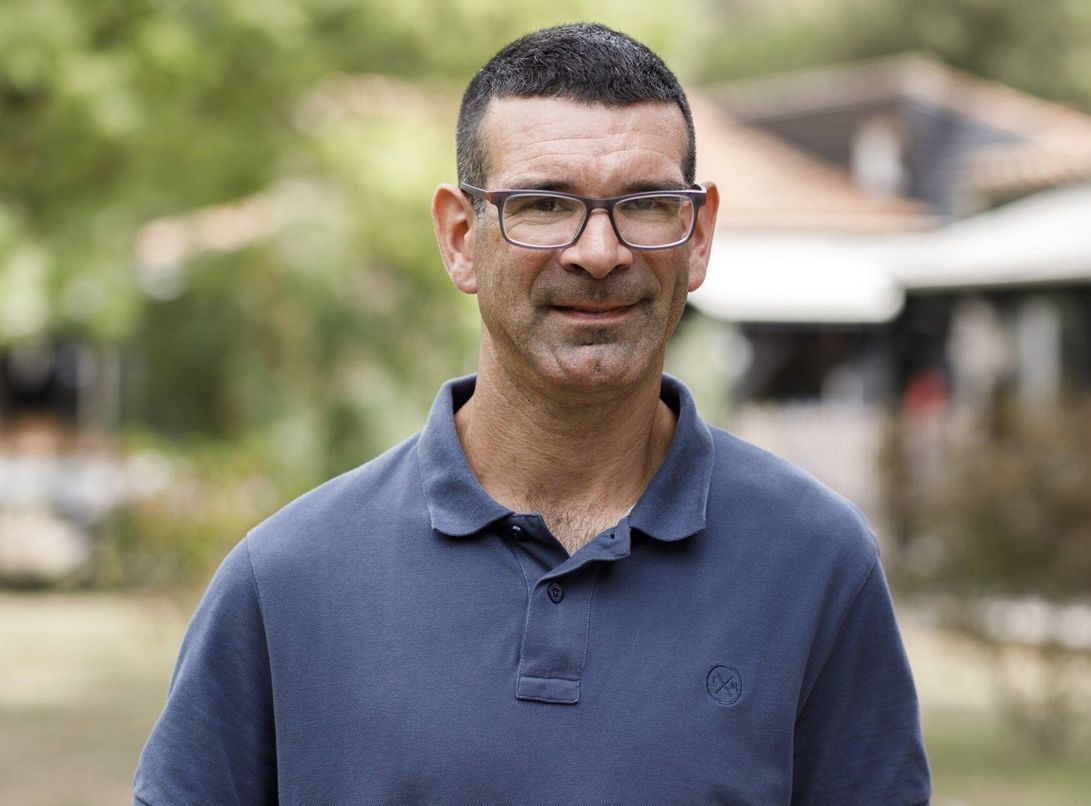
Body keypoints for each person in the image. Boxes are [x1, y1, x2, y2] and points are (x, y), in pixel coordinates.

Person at [134, 23, 931, 805]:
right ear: (458, 238)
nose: (599, 252)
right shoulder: (287, 581)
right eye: (545, 204)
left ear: (698, 236)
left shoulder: (817, 565)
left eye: (647, 204)